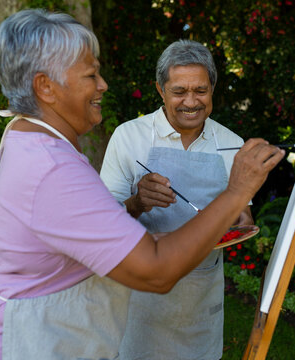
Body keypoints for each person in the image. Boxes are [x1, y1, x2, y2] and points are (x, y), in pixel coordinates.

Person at [0, 9, 284, 360]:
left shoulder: (31, 141)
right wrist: (237, 192)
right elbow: (157, 270)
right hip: (29, 343)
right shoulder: (51, 166)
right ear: (45, 86)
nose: (102, 84)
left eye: (200, 90)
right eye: (91, 73)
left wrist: (236, 213)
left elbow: (96, 235)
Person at [100, 40, 252, 360]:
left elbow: (243, 217)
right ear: (160, 89)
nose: (191, 102)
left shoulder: (231, 144)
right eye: (179, 91)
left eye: (201, 90)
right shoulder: (129, 137)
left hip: (201, 293)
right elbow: (102, 225)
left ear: (213, 88)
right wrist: (137, 203)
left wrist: (241, 222)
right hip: (139, 296)